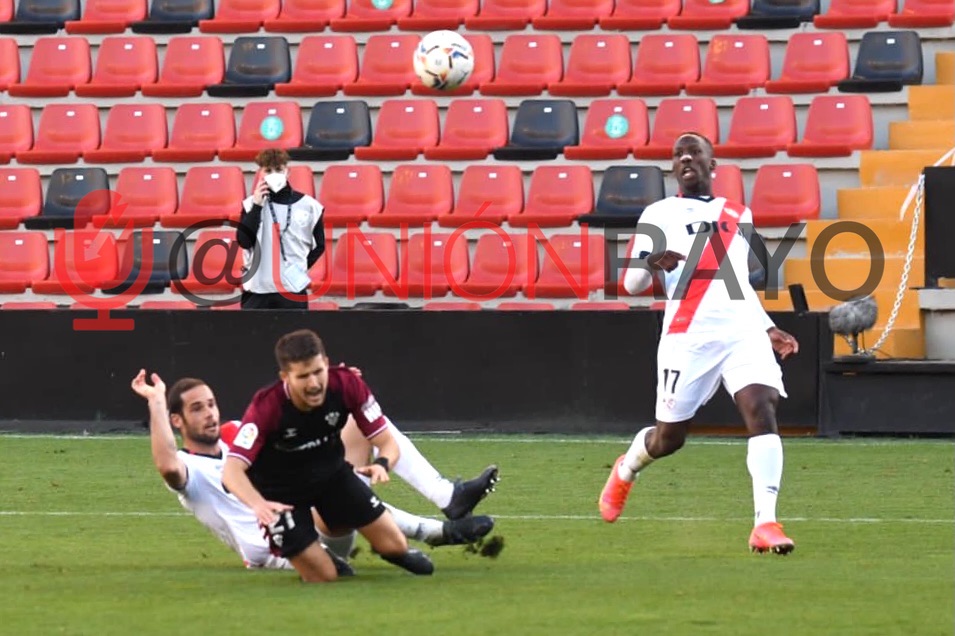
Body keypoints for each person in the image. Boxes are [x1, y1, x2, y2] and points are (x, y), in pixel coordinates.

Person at [599, 132, 801, 555]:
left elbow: (738, 281)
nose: (686, 158)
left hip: (741, 333)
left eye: (695, 152)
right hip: (689, 335)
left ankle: (765, 522)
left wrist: (766, 327)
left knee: (762, 407)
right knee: (669, 439)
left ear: (713, 165)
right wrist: (652, 261)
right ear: (674, 168)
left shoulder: (738, 214)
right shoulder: (659, 213)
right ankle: (628, 467)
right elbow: (631, 284)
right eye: (678, 154)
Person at [131, 370, 495, 574]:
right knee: (326, 486)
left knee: (356, 418)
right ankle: (435, 532)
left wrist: (335, 394)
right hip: (280, 547)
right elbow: (167, 465)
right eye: (197, 409)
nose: (209, 413)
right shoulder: (191, 471)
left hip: (317, 518)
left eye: (211, 404)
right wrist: (157, 401)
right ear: (177, 420)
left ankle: (448, 496)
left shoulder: (237, 436)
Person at [222, 328, 469, 582]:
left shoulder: (347, 384)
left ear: (326, 363)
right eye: (303, 376)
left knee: (395, 545)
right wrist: (259, 505)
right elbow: (231, 471)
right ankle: (323, 559)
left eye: (318, 372)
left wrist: (382, 464)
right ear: (285, 377)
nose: (314, 384)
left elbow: (387, 442)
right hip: (281, 497)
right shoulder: (266, 407)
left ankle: (391, 551)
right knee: (325, 577)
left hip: (332, 477)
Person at [235, 149, 325, 310]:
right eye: (268, 170)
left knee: (294, 327)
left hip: (292, 289)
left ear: (287, 172)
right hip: (257, 288)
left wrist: (299, 269)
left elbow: (320, 245)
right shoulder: (249, 205)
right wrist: (257, 206)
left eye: (278, 169)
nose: (274, 174)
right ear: (261, 173)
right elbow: (244, 241)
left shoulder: (309, 205)